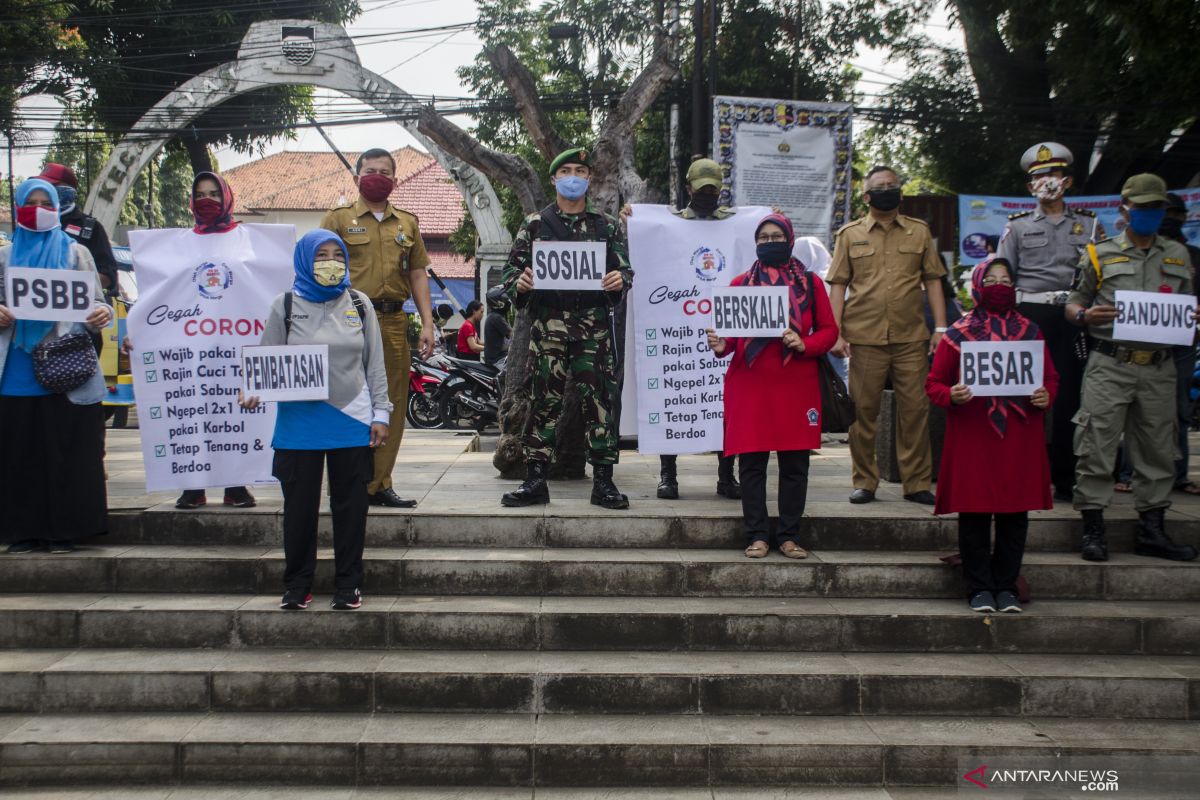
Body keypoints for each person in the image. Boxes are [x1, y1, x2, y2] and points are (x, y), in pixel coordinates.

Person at [240, 230, 392, 611]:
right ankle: (297, 586)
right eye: (321, 255)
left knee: (351, 510)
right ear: (305, 260)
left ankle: (348, 585)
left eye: (336, 255)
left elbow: (374, 363)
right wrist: (251, 388)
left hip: (352, 420)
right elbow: (265, 362)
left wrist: (381, 412)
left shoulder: (359, 304)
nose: (330, 262)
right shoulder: (285, 305)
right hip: (298, 425)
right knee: (299, 512)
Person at [1064, 173, 1198, 563]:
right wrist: (1085, 314)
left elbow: (1186, 307)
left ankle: (1152, 530)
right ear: (1125, 209)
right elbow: (1073, 302)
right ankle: (1093, 530)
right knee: (1097, 443)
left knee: (1158, 447)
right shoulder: (1099, 253)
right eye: (1141, 208)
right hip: (1110, 362)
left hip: (1160, 367)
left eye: (1156, 208)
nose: (1149, 215)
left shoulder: (1177, 255)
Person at [500, 146, 633, 509]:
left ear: (589, 179)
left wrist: (618, 280)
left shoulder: (606, 226)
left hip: (593, 328)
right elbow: (510, 273)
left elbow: (625, 271)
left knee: (600, 403)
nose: (573, 176)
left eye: (580, 170)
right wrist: (520, 284)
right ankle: (535, 479)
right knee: (544, 401)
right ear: (554, 178)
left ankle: (604, 481)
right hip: (550, 326)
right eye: (566, 171)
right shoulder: (535, 225)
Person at [927, 258, 1059, 613]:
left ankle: (1008, 586)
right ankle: (979, 587)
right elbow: (934, 384)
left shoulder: (1031, 331)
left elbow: (1050, 378)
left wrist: (1046, 396)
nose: (1000, 285)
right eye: (992, 279)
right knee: (975, 513)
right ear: (978, 287)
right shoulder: (957, 334)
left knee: (1015, 515)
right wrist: (950, 395)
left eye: (1006, 279)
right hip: (974, 435)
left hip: (1019, 435)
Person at [706, 213, 838, 558]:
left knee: (795, 464)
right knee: (751, 464)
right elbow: (731, 341)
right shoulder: (739, 285)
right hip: (750, 385)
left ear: (790, 239)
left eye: (776, 236)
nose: (769, 242)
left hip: (796, 384)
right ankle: (758, 536)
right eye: (763, 237)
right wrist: (721, 346)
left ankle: (789, 536)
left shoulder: (811, 284)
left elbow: (830, 331)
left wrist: (804, 343)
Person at [0, 178, 112, 554]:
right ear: (18, 208)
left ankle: (65, 530)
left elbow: (99, 302)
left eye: (43, 202)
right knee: (20, 455)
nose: (37, 208)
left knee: (65, 453)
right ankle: (24, 531)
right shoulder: (4, 257)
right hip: (15, 373)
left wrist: (101, 313)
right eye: (28, 202)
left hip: (66, 368)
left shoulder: (75, 254)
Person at [320, 148, 436, 509]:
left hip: (392, 321)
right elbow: (319, 267)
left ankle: (378, 483)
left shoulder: (407, 223)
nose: (377, 176)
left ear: (395, 180)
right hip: (347, 321)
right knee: (346, 399)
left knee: (391, 402)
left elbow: (417, 273)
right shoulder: (337, 220)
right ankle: (347, 480)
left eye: (384, 172)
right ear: (357, 177)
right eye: (370, 170)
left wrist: (428, 324)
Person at [826, 165, 948, 505]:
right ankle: (865, 480)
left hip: (911, 338)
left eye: (892, 185)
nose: (886, 190)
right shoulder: (849, 234)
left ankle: (917, 482)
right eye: (879, 186)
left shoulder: (919, 232)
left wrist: (940, 328)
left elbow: (934, 280)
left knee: (915, 411)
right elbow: (838, 286)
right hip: (864, 338)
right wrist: (835, 334)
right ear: (866, 196)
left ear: (901, 193)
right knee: (862, 413)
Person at [623, 158, 741, 501]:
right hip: (676, 332)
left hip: (722, 332)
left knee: (722, 402)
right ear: (688, 188)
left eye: (712, 189)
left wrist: (769, 215)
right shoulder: (669, 225)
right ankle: (668, 475)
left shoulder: (736, 224)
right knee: (672, 399)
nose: (707, 194)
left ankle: (726, 476)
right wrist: (631, 220)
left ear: (720, 190)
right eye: (701, 188)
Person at [996, 143, 1104, 502]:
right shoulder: (1016, 227)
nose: (1047, 182)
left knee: (1070, 396)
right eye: (1039, 177)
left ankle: (1064, 476)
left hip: (1073, 318)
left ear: (1067, 181)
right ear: (1030, 188)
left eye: (1053, 175)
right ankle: (1022, 471)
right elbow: (1002, 277)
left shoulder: (1088, 226)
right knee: (1024, 394)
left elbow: (1101, 279)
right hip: (1030, 318)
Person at [169, 173, 259, 511]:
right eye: (200, 194)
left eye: (214, 194)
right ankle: (193, 485)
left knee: (234, 412)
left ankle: (236, 484)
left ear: (227, 198)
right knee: (196, 410)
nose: (208, 201)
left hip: (237, 341)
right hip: (192, 344)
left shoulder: (247, 239)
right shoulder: (179, 242)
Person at [483, 285, 512, 367]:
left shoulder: (494, 315)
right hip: (498, 360)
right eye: (504, 298)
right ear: (497, 302)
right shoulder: (496, 318)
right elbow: (512, 335)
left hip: (497, 358)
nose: (507, 300)